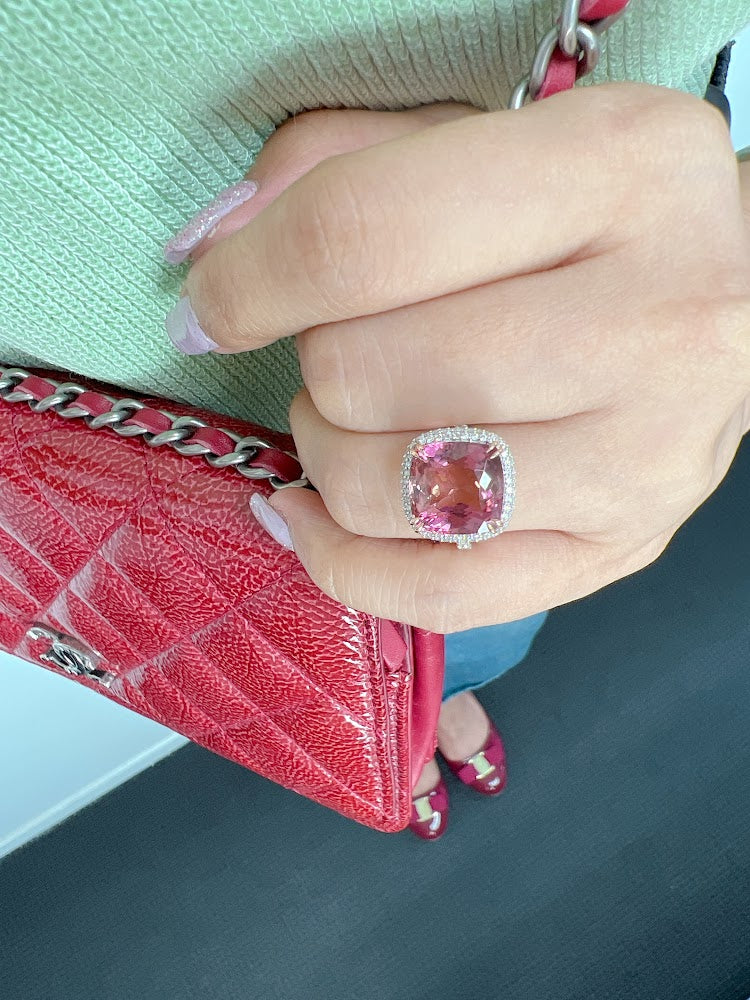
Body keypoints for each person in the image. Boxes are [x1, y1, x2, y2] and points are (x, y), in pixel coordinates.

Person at [3, 1, 750, 840]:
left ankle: (431, 704)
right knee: (205, 653)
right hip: (52, 467)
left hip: (534, 363)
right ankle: (406, 724)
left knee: (459, 604)